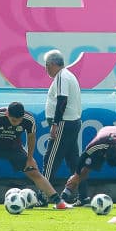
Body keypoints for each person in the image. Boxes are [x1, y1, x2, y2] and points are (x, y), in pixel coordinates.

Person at [41, 49, 88, 205]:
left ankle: (43, 196)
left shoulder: (62, 76)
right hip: (71, 122)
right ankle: (83, 196)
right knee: (74, 162)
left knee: (50, 160)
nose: (46, 69)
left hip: (64, 123)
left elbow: (62, 100)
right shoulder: (68, 75)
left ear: (53, 64)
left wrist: (55, 123)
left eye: (46, 65)